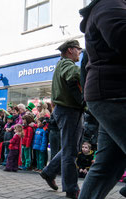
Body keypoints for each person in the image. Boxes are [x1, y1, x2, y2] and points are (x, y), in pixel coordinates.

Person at [79, 1, 126, 198]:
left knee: (107, 166)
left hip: (108, 95)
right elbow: (122, 36)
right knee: (106, 167)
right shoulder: (110, 3)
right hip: (114, 94)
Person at [39, 39, 83, 199]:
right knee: (70, 151)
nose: (80, 52)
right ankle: (71, 189)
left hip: (66, 110)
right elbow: (74, 75)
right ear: (70, 50)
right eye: (78, 49)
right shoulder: (67, 64)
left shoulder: (61, 64)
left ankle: (49, 172)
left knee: (69, 147)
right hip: (69, 110)